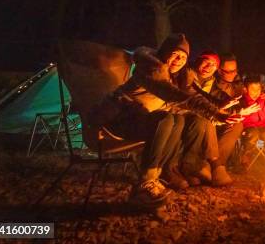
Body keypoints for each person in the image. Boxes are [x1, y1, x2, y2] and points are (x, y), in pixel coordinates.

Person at [98, 34, 234, 206]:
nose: (179, 60)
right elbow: (173, 95)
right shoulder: (150, 69)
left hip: (139, 118)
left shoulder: (172, 75)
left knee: (177, 119)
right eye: (175, 54)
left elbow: (184, 100)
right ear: (164, 52)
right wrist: (214, 113)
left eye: (183, 57)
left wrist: (216, 113)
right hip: (118, 119)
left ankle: (159, 175)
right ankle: (145, 181)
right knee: (165, 119)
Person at [176, 51, 259, 186]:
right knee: (206, 120)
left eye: (235, 71)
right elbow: (199, 98)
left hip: (212, 115)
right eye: (228, 71)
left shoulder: (212, 80)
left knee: (237, 124)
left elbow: (220, 98)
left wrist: (238, 110)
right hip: (192, 115)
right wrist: (220, 110)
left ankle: (210, 166)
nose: (233, 74)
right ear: (220, 71)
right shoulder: (189, 75)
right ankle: (214, 165)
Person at [239, 75, 265, 164]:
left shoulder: (262, 99)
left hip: (263, 126)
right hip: (248, 127)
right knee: (253, 134)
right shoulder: (243, 101)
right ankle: (247, 156)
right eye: (253, 89)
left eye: (258, 89)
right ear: (245, 90)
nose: (256, 92)